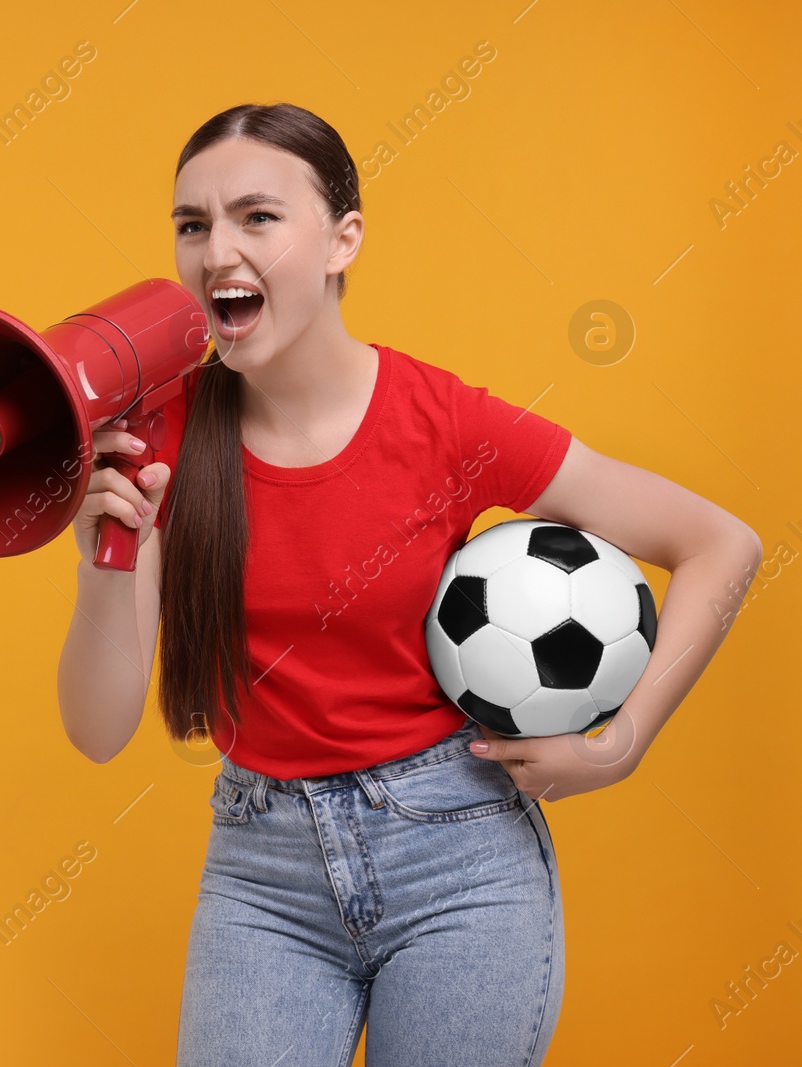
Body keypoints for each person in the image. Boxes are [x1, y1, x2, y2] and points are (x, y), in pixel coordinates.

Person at [55, 102, 762, 1066]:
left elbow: (722, 543)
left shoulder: (448, 425)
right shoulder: (163, 436)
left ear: (345, 238)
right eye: (193, 223)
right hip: (264, 874)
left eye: (258, 217)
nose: (218, 249)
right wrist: (108, 555)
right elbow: (98, 732)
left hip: (460, 859)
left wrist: (619, 746)